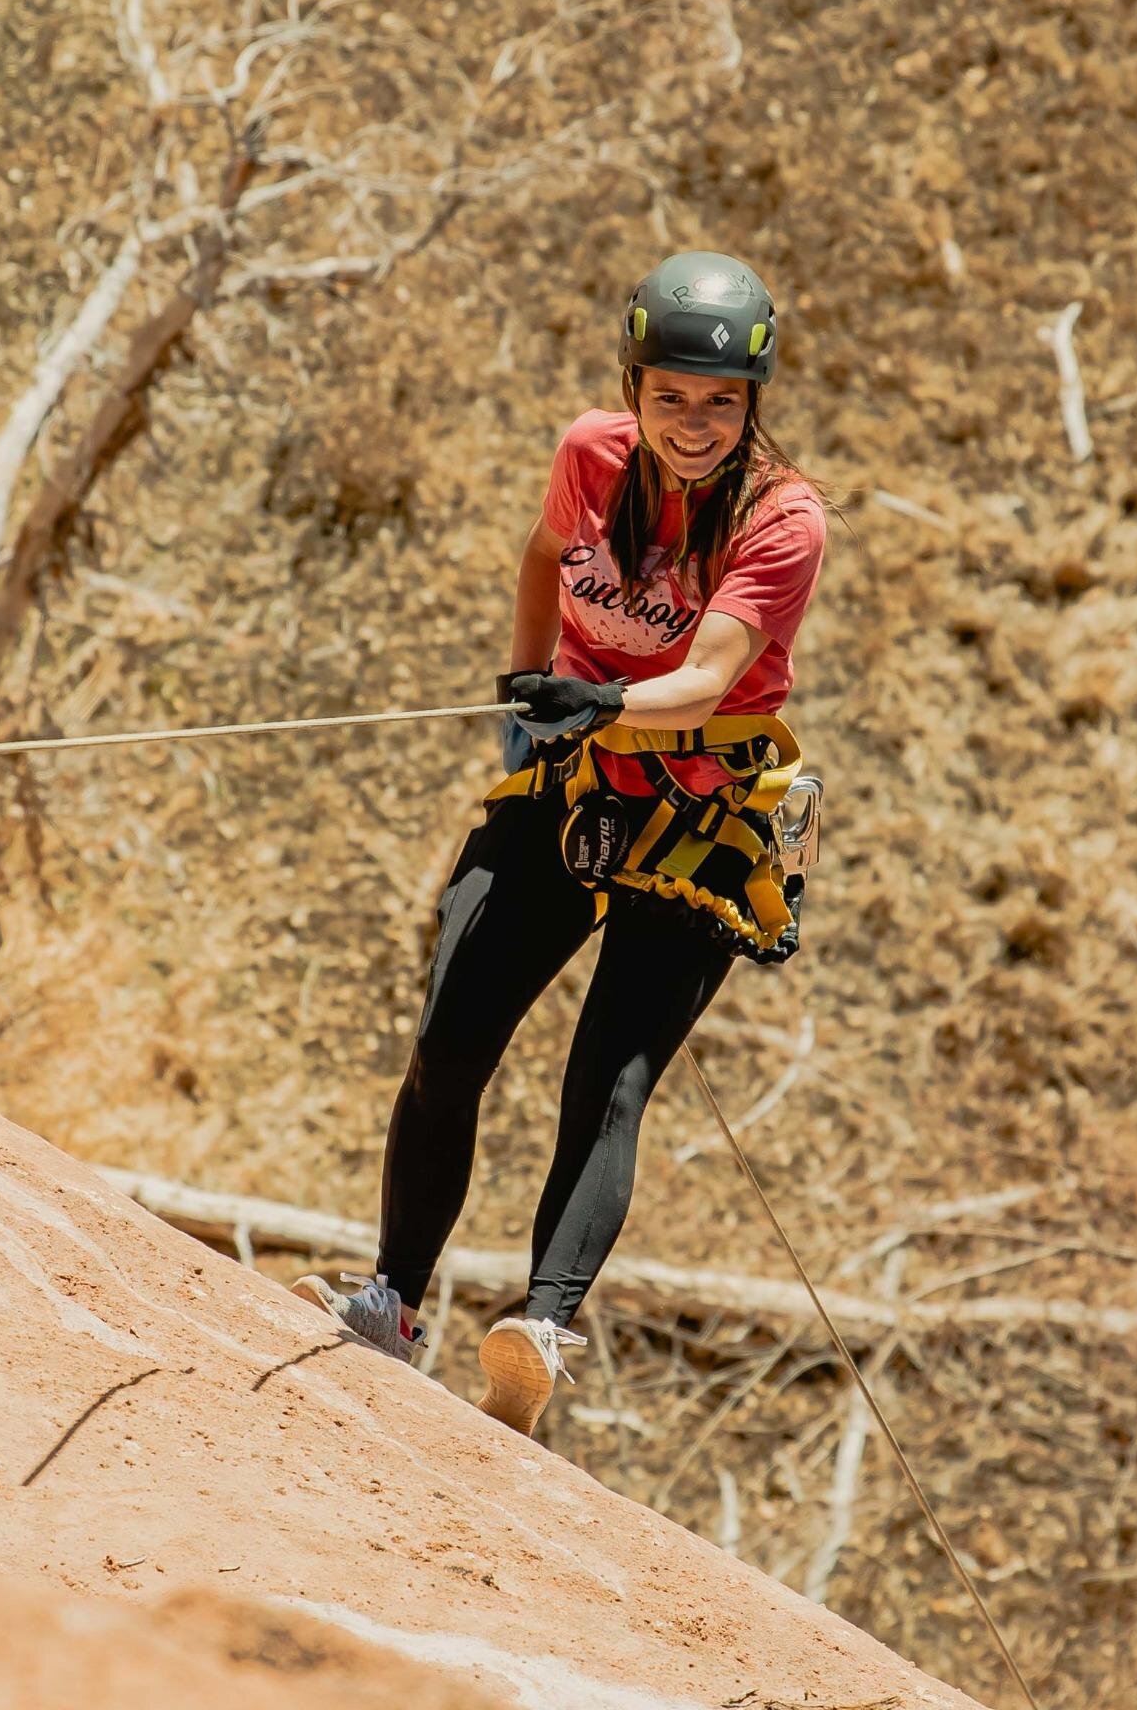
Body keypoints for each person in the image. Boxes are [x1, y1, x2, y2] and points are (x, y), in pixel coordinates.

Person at [296, 250, 829, 1435]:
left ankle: (537, 1332)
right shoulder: (590, 454)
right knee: (449, 1038)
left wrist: (605, 702)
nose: (694, 422)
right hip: (572, 778)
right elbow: (544, 557)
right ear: (634, 386)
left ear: (753, 402)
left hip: (698, 809)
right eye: (671, 394)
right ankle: (390, 1301)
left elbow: (709, 678)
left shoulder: (783, 520)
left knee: (609, 1082)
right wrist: (525, 687)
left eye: (722, 400)